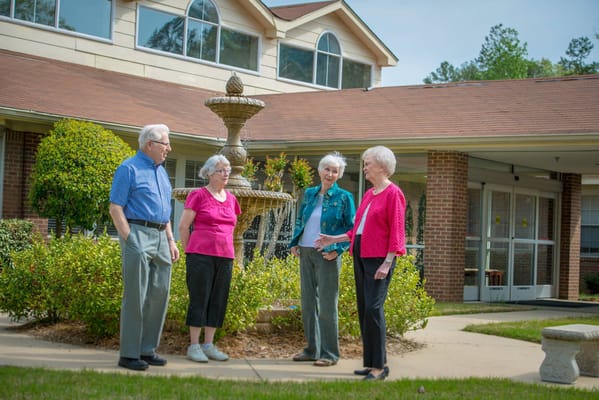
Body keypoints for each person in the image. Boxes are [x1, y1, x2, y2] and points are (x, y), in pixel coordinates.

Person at [316, 146, 406, 381]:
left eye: (368, 164)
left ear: (383, 166)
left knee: (374, 309)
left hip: (379, 259)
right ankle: (371, 364)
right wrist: (333, 239)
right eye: (365, 163)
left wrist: (388, 262)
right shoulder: (369, 194)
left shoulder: (393, 193)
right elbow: (357, 229)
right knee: (365, 309)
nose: (364, 168)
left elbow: (397, 231)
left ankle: (380, 368)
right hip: (361, 254)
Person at [109, 123, 180, 371]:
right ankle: (129, 354)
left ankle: (147, 349)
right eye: (165, 144)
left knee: (159, 295)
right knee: (136, 296)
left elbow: (166, 211)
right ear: (150, 144)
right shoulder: (128, 168)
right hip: (137, 233)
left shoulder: (162, 171)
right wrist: (130, 239)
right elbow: (115, 207)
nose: (169, 148)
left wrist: (171, 240)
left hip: (162, 235)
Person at [289, 152, 356, 367]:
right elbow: (301, 219)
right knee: (308, 303)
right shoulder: (309, 193)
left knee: (327, 305)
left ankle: (329, 354)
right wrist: (296, 242)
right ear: (319, 170)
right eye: (327, 169)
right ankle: (312, 349)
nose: (330, 173)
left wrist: (339, 249)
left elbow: (352, 229)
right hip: (306, 252)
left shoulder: (344, 197)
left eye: (334, 171)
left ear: (339, 175)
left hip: (328, 255)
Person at [178, 154, 241, 363]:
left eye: (227, 170)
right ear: (210, 173)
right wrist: (189, 253)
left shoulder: (232, 199)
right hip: (200, 255)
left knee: (218, 299)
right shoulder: (198, 195)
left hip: (225, 256)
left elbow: (232, 226)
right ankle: (194, 345)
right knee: (199, 298)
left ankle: (209, 344)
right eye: (221, 171)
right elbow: (184, 226)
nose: (226, 174)